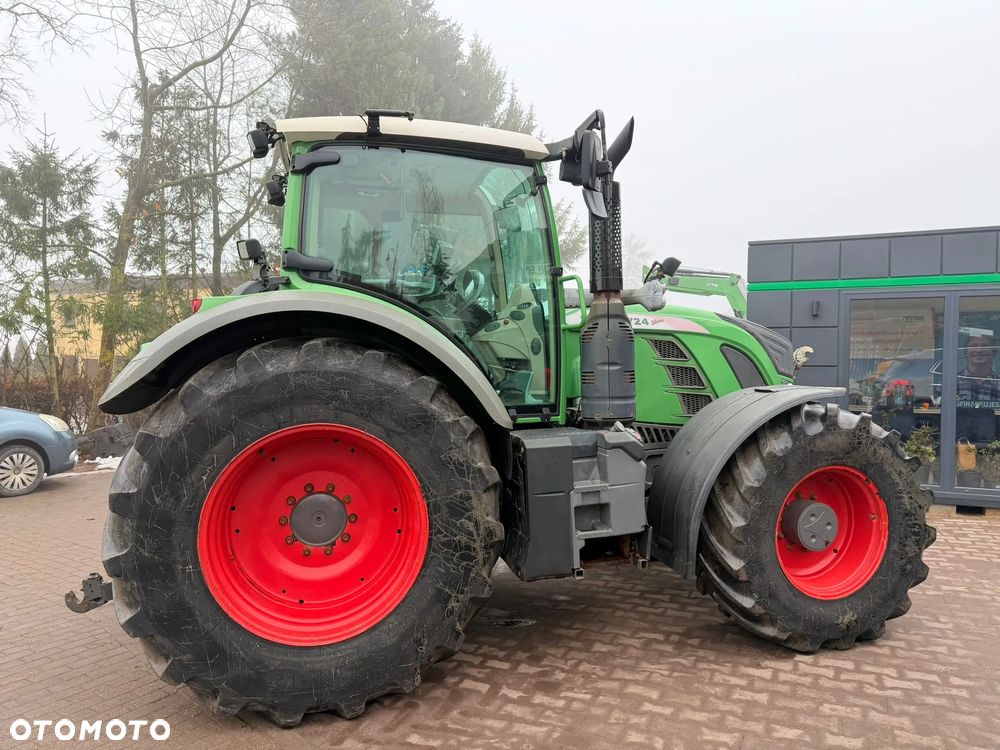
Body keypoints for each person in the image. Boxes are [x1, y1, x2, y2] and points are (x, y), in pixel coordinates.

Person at [957, 334, 1000, 404]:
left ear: (993, 353)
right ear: (965, 353)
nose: (979, 350)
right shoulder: (951, 382)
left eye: (984, 346)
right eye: (973, 346)